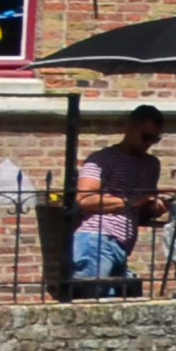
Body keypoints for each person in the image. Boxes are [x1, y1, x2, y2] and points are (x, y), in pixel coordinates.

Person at [65, 106, 165, 293]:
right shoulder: (102, 159)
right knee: (92, 302)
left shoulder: (151, 165)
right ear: (130, 127)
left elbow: (139, 210)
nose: (148, 143)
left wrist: (153, 207)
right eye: (145, 136)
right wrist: (129, 201)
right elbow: (84, 199)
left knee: (112, 304)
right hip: (97, 238)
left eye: (154, 139)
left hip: (122, 245)